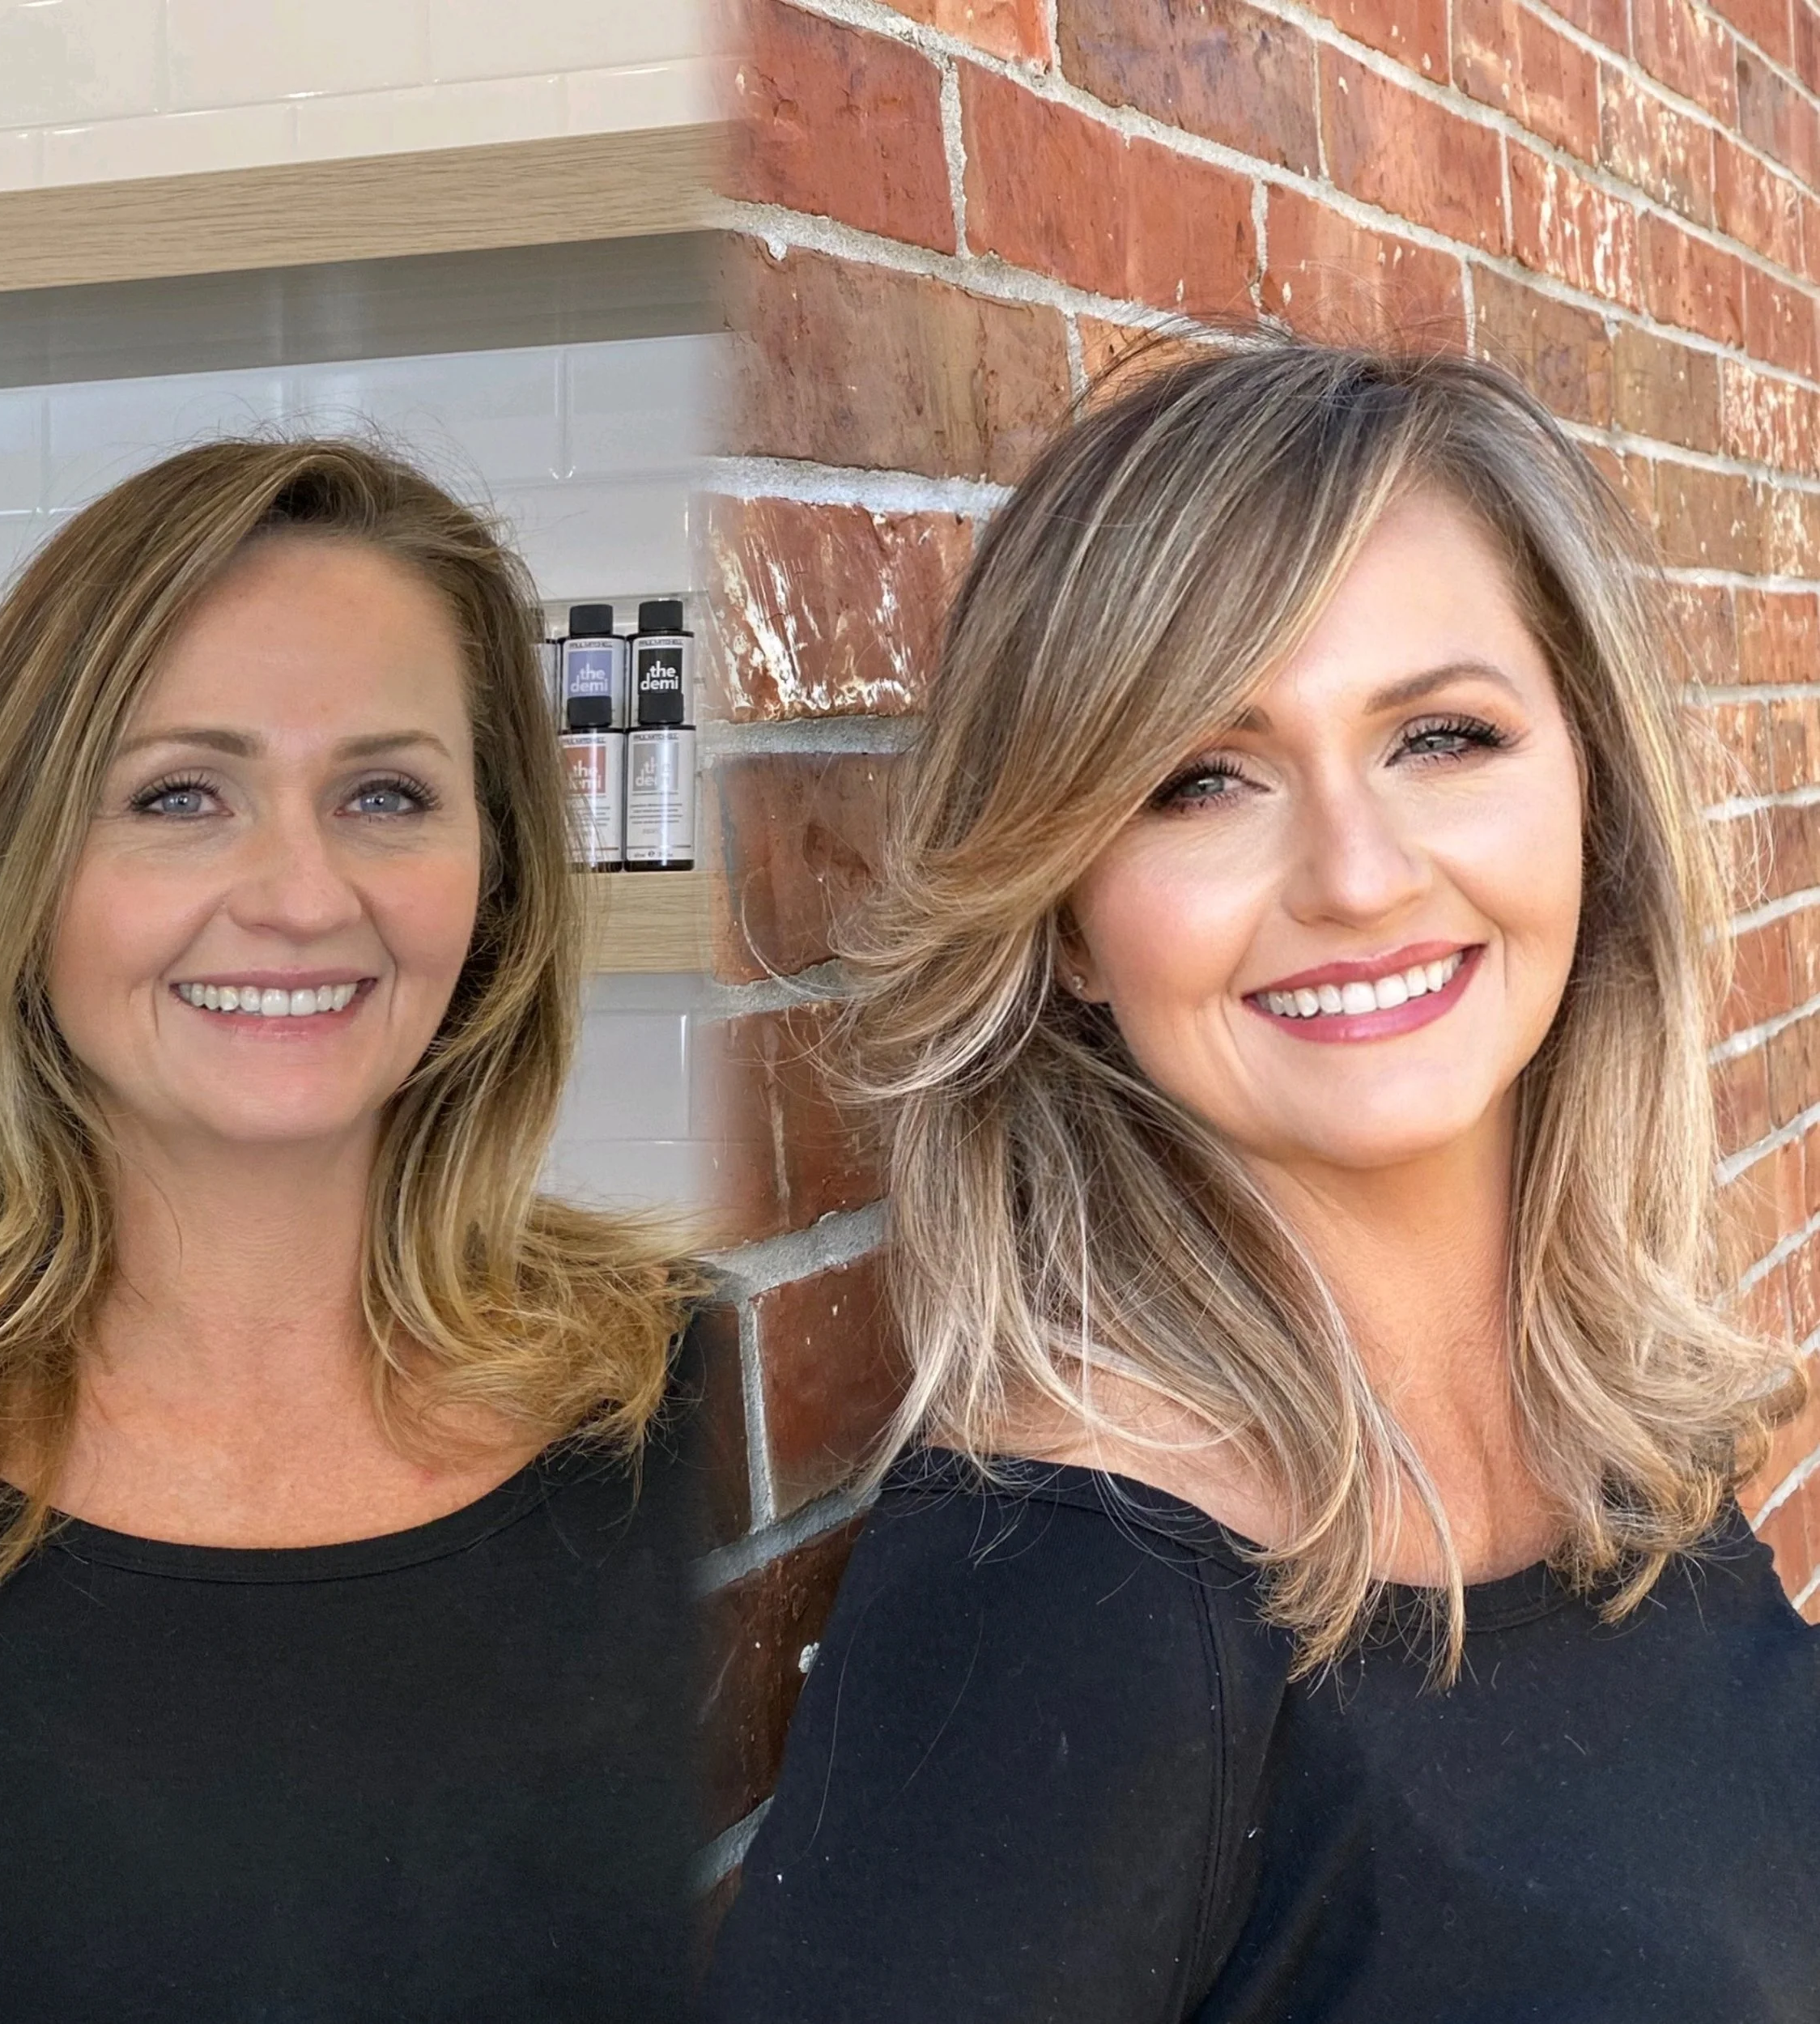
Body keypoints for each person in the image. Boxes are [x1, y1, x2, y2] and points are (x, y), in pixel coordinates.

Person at [705, 338, 1820, 2019]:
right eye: (1197, 779)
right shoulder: (1061, 1611)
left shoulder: (1607, 1429)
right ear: (1067, 917)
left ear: (1586, 798)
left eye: (1440, 735)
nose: (1356, 873)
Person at [0, 439, 708, 2024]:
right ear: (26, 869)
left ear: (492, 872)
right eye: (179, 795)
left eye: (382, 792)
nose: (299, 894)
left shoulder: (733, 1403)